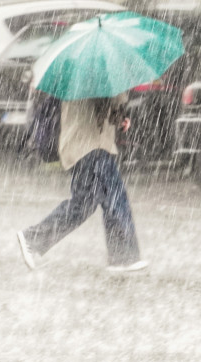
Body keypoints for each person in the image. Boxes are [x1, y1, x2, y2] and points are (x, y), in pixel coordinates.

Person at [16, 92, 147, 273]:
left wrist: (119, 117)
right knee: (115, 196)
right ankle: (123, 256)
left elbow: (101, 110)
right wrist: (120, 110)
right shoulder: (98, 75)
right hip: (90, 146)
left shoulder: (81, 77)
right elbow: (105, 106)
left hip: (78, 145)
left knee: (83, 204)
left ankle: (33, 239)